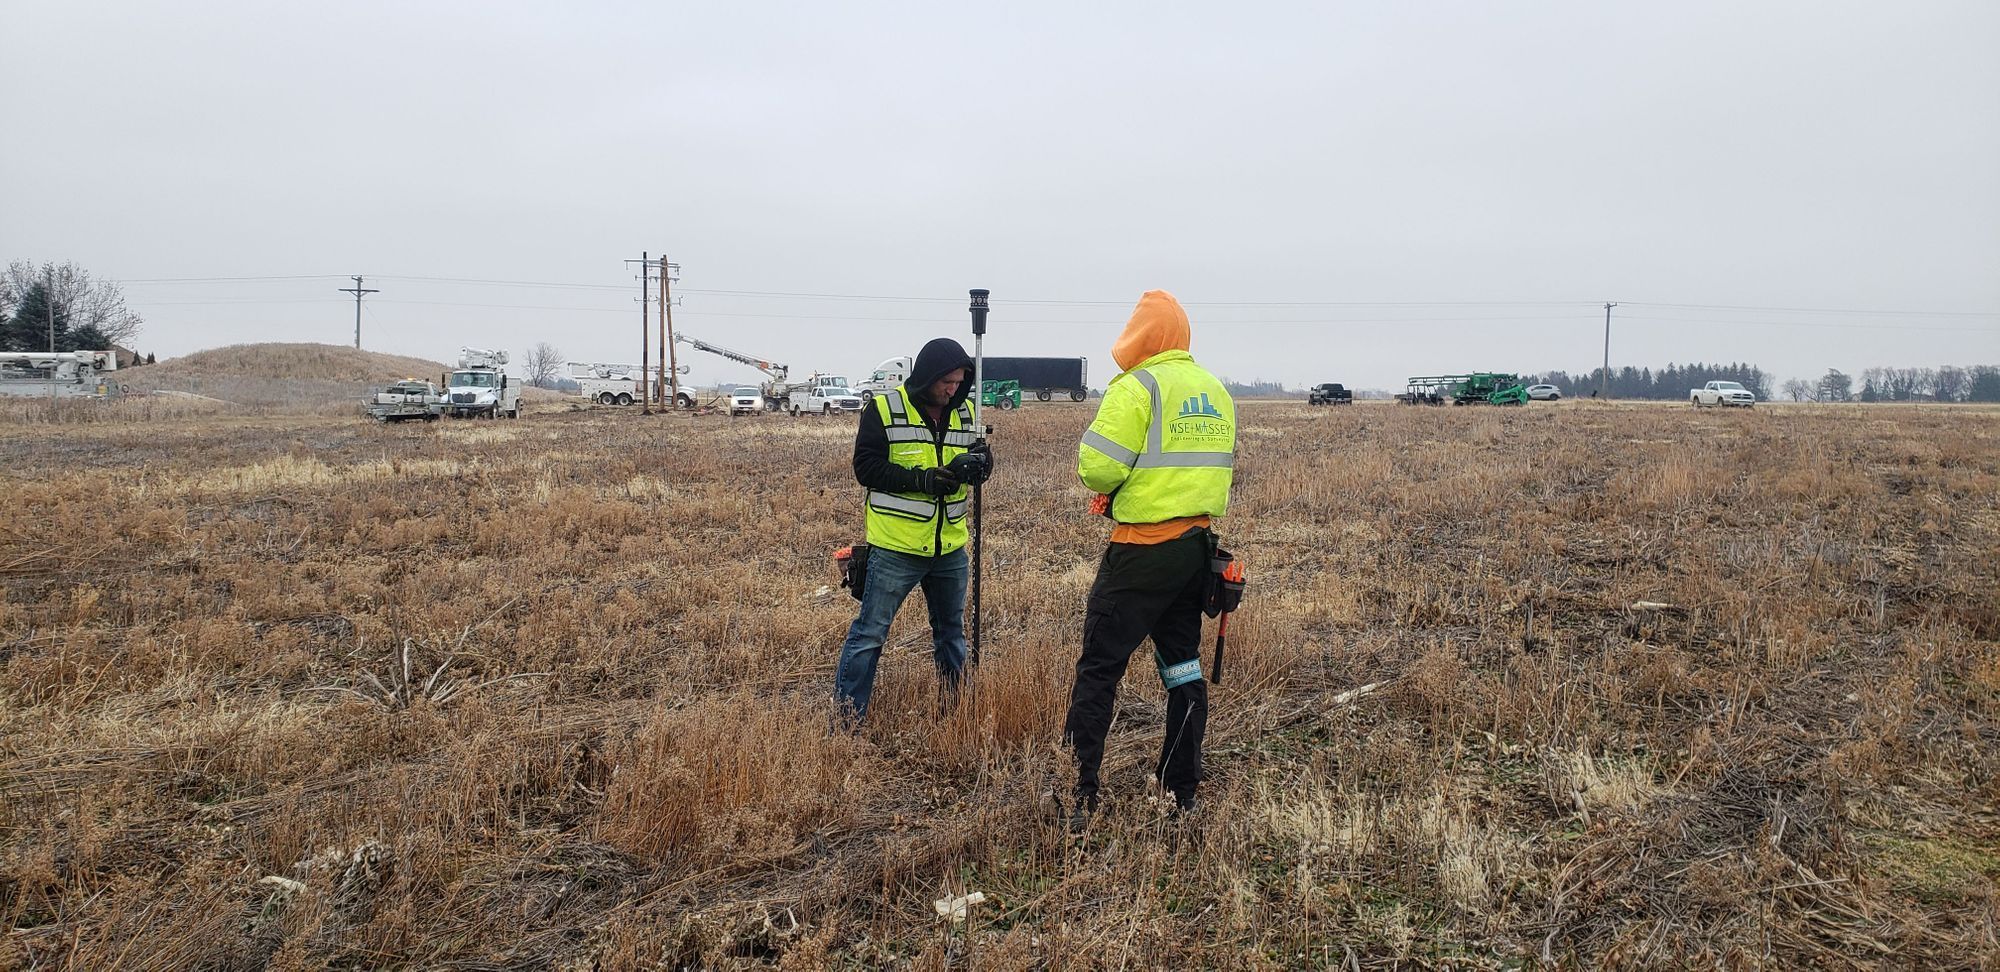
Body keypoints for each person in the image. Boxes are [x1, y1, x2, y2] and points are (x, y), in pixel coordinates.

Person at [1064, 290, 1236, 817]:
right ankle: (1181, 787)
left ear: (1140, 335)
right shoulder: (1216, 390)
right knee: (1183, 667)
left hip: (1141, 552)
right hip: (1196, 552)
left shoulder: (1137, 387)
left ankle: (1079, 789)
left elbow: (1097, 469)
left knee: (1099, 667)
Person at [834, 337, 993, 723]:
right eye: (947, 382)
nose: (953, 389)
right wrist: (922, 480)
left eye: (959, 382)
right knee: (870, 635)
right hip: (895, 548)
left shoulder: (967, 412)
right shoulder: (884, 410)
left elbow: (984, 461)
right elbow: (866, 468)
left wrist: (981, 466)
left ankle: (957, 713)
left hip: (950, 548)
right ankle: (845, 722)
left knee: (952, 635)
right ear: (927, 377)